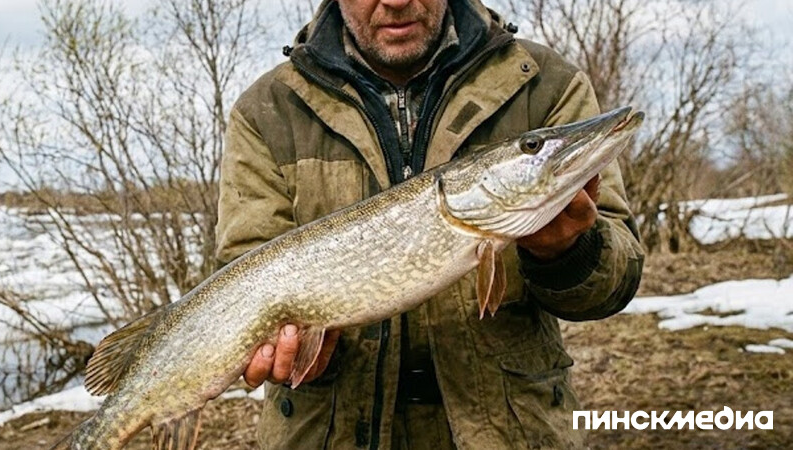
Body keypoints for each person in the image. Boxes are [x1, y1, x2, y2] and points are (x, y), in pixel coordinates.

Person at [214, 0, 644, 448]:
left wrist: (567, 254)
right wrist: (284, 348)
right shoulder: (267, 110)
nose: (396, 1)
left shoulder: (543, 83)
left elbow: (615, 282)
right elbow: (244, 276)